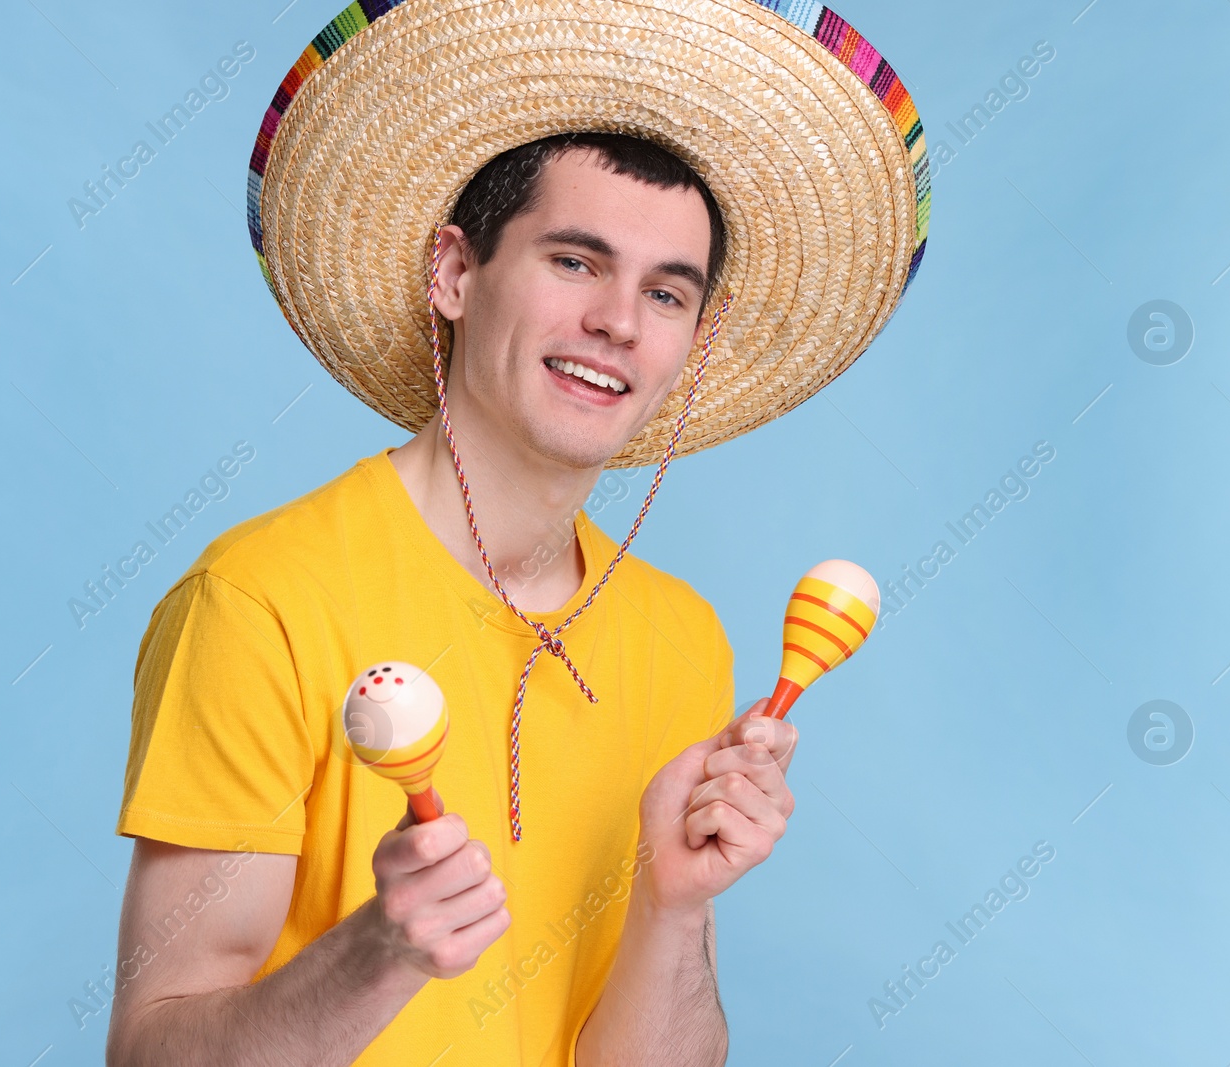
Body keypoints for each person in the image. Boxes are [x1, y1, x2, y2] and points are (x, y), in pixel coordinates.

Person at [105, 1, 929, 1064]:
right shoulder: (263, 597)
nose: (619, 322)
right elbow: (149, 1049)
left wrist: (674, 904)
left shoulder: (682, 639)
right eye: (575, 262)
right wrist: (380, 952)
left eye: (666, 291)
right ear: (454, 272)